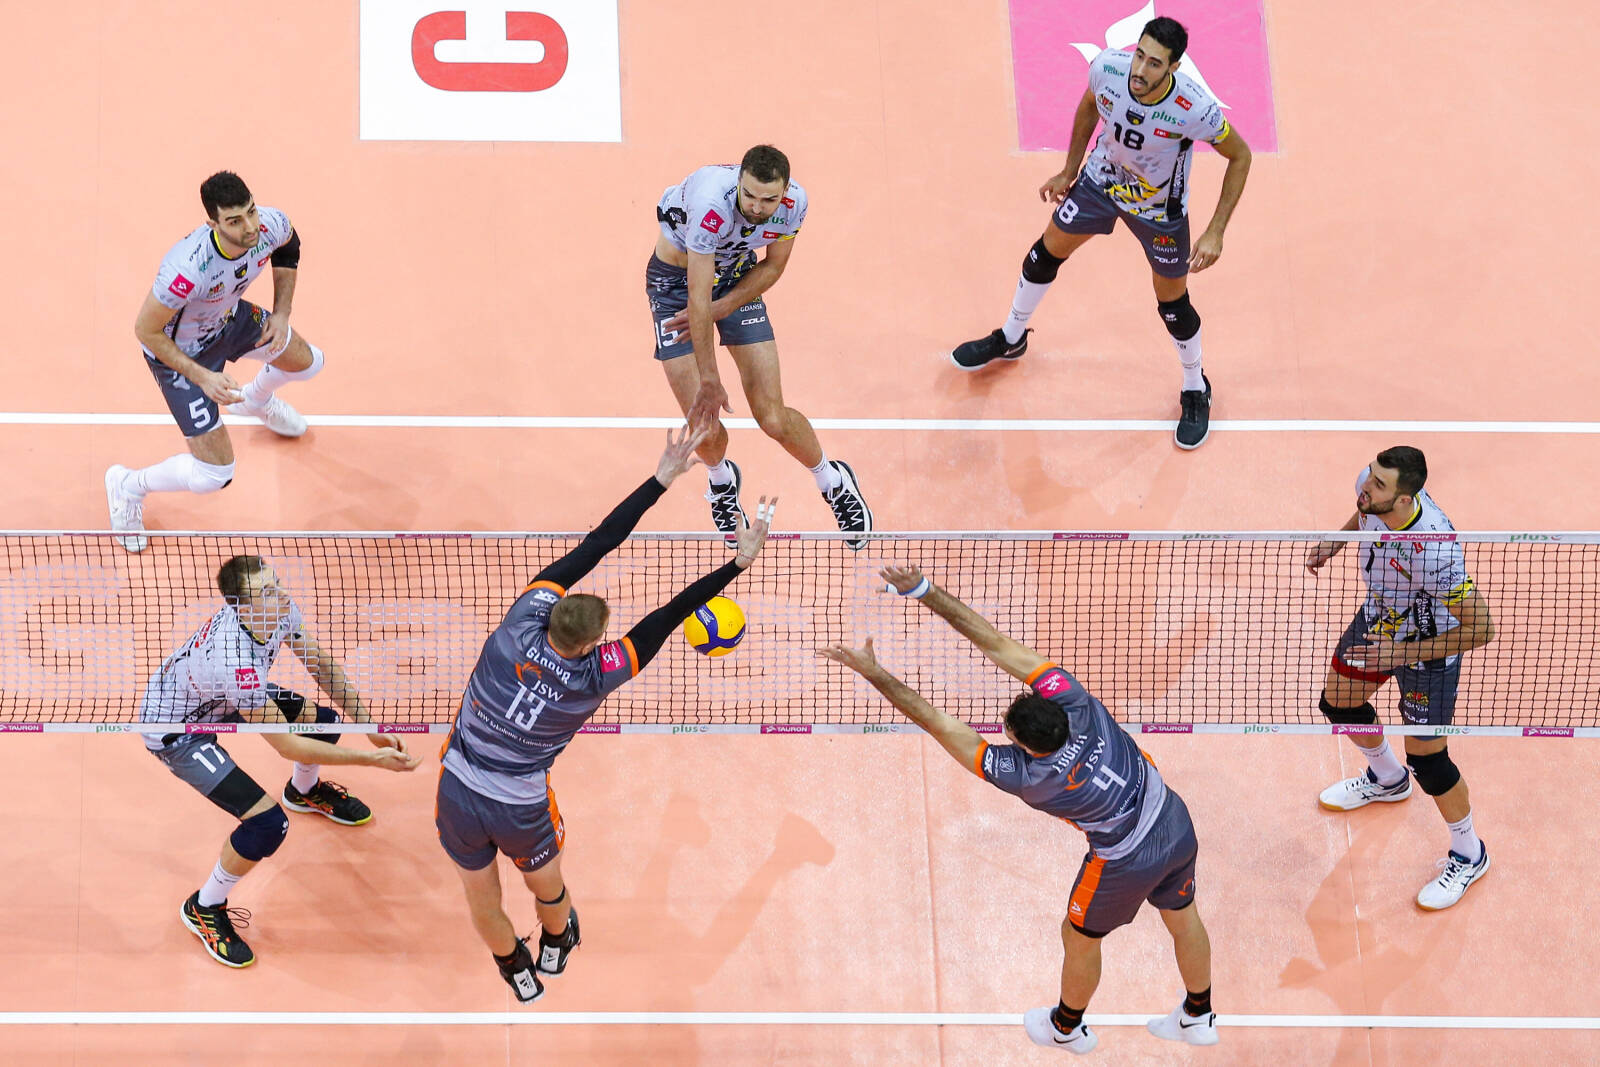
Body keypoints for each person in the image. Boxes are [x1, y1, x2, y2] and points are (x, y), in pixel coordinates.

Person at [436, 426, 775, 1004]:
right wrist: (738, 563)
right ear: (594, 646)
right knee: (549, 893)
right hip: (520, 805)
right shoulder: (594, 678)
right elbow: (671, 614)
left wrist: (661, 478)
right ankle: (555, 943)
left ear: (551, 609)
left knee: (482, 901)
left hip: (458, 790)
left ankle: (515, 969)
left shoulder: (516, 624)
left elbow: (598, 544)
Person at [821, 565, 1218, 1054]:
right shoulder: (1078, 702)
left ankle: (1066, 1028)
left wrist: (875, 673)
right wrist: (923, 590)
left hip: (1125, 859)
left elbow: (939, 724)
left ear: (1024, 747)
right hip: (1173, 820)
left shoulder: (1033, 781)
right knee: (1182, 914)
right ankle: (1199, 1014)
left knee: (1079, 936)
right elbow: (994, 642)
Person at [950, 16, 1252, 450]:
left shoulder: (1193, 108)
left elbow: (1240, 156)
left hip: (1158, 209)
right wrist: (1068, 170)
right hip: (1101, 182)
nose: (1140, 70)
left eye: (1154, 63)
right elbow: (1091, 104)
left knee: (1172, 304)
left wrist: (1215, 231)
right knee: (1043, 255)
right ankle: (1011, 339)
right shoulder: (1108, 68)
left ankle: (1194, 386)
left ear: (1174, 67)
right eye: (1140, 55)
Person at [139, 555, 421, 967]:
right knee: (268, 824)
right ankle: (204, 905)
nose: (282, 594)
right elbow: (288, 746)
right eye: (267, 591)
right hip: (177, 731)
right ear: (242, 607)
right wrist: (370, 759)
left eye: (276, 583)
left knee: (324, 724)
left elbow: (322, 666)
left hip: (222, 699)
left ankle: (303, 791)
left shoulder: (279, 611)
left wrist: (369, 725)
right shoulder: (235, 663)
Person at [648, 145, 872, 547]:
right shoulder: (710, 206)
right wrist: (711, 380)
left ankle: (833, 481)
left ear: (784, 192)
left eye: (768, 199)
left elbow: (773, 265)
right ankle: (721, 481)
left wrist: (725, 306)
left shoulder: (794, 203)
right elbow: (698, 300)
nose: (756, 206)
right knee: (704, 424)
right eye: (749, 195)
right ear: (738, 182)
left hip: (736, 278)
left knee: (772, 417)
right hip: (676, 288)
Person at [1306, 447, 1495, 910]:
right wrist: (1338, 540)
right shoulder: (1373, 492)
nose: (1365, 487)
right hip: (1381, 619)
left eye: (1378, 484)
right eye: (1370, 476)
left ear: (1406, 499)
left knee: (1429, 763)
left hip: (1429, 647)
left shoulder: (1436, 553)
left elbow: (1481, 628)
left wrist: (1401, 653)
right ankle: (1388, 779)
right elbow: (1364, 512)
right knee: (1339, 703)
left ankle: (1470, 854)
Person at [106, 171, 326, 552]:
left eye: (251, 211)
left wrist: (282, 313)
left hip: (228, 319)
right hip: (182, 354)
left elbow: (289, 247)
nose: (250, 227)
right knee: (214, 474)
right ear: (214, 224)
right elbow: (146, 330)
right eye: (235, 221)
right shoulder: (186, 270)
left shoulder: (269, 225)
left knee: (309, 363)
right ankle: (127, 486)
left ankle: (255, 400)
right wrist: (204, 378)